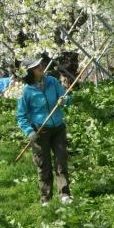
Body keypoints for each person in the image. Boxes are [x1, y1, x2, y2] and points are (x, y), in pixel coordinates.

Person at [16, 55, 73, 206]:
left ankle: (65, 194)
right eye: (35, 67)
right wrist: (29, 131)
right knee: (44, 164)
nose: (40, 67)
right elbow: (21, 116)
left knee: (61, 161)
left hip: (58, 128)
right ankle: (46, 197)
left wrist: (65, 100)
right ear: (29, 72)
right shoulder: (26, 91)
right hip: (40, 131)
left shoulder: (52, 82)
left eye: (40, 65)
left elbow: (67, 97)